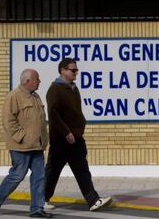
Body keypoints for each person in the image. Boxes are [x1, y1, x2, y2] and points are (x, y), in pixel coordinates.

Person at [44, 57, 112, 211]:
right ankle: (42, 199)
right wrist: (66, 132)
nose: (76, 72)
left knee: (82, 170)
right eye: (73, 70)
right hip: (61, 139)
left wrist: (81, 125)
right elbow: (53, 113)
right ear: (63, 71)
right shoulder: (55, 89)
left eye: (77, 70)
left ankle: (93, 200)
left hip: (76, 138)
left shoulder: (73, 88)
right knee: (53, 171)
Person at [0, 69, 53, 218]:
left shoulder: (36, 97)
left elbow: (40, 121)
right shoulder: (13, 96)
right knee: (17, 175)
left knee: (39, 177)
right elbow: (8, 121)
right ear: (27, 81)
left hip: (36, 146)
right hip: (20, 147)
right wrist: (22, 137)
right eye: (37, 79)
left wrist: (44, 140)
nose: (39, 82)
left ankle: (37, 209)